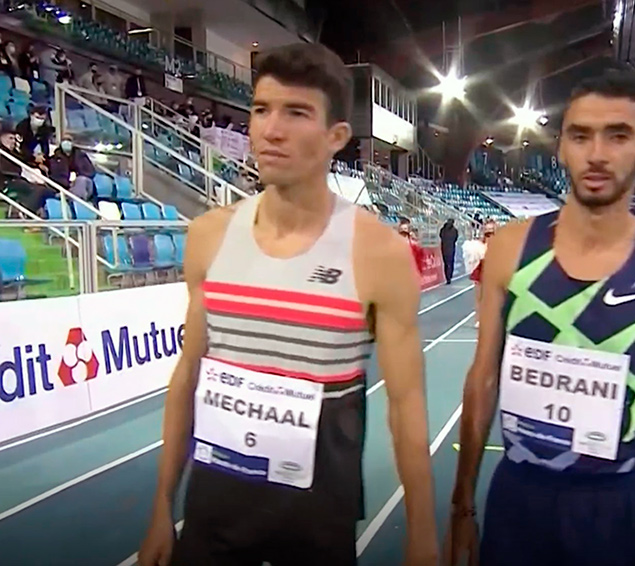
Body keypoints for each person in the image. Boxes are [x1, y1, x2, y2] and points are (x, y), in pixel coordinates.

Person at [137, 43, 438, 566]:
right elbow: (189, 375)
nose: (271, 130)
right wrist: (162, 506)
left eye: (296, 113)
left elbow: (406, 405)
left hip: (318, 520)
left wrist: (422, 533)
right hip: (214, 513)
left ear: (335, 137)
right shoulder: (209, 237)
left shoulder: (377, 252)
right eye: (260, 109)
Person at [445, 70, 635, 566]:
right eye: (581, 135)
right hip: (517, 502)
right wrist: (462, 507)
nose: (597, 154)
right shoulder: (509, 249)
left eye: (618, 135)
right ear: (561, 147)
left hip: (620, 506)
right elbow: (482, 381)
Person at [49, 134, 95, 200]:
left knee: (81, 181)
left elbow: (90, 171)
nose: (67, 142)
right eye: (64, 140)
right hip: (64, 187)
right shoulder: (55, 159)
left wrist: (76, 177)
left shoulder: (81, 156)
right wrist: (67, 182)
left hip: (81, 183)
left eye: (69, 140)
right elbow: (54, 176)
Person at [439, 218, 459, 284]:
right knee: (450, 262)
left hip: (444, 248)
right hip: (451, 247)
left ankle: (447, 277)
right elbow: (455, 238)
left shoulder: (442, 229)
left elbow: (440, 236)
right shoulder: (455, 230)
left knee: (446, 263)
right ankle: (449, 276)